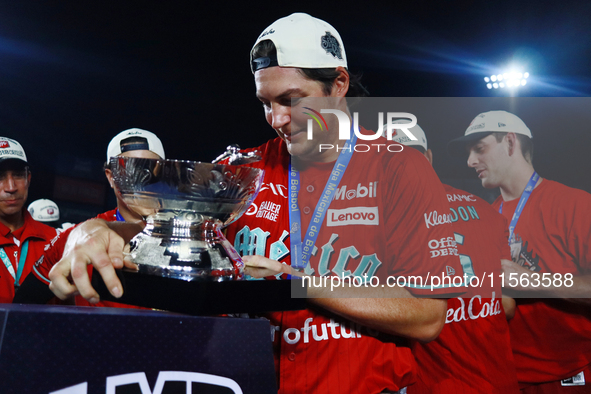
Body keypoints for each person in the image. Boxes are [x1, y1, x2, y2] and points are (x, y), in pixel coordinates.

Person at [47, 14, 464, 393]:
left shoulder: (399, 169)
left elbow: (426, 315)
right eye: (266, 103)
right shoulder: (239, 170)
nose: (276, 119)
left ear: (338, 85)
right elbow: (164, 234)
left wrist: (296, 284)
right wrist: (91, 231)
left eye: (291, 100)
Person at [448, 110, 591, 393]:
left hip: (567, 373)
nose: (470, 161)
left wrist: (531, 280)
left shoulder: (574, 204)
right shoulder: (484, 216)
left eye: (479, 149)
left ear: (511, 143)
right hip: (507, 373)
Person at [392, 120, 519, 393]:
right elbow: (507, 305)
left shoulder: (386, 223)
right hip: (499, 379)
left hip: (437, 384)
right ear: (427, 157)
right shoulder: (487, 211)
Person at [13, 128, 164, 306]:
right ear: (110, 177)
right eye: (129, 168)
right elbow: (23, 303)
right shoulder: (76, 240)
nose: (142, 180)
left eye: (151, 168)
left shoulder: (190, 233)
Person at [0, 137, 57, 303]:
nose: (11, 187)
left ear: (28, 179)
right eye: (0, 176)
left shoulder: (55, 239)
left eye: (18, 175)